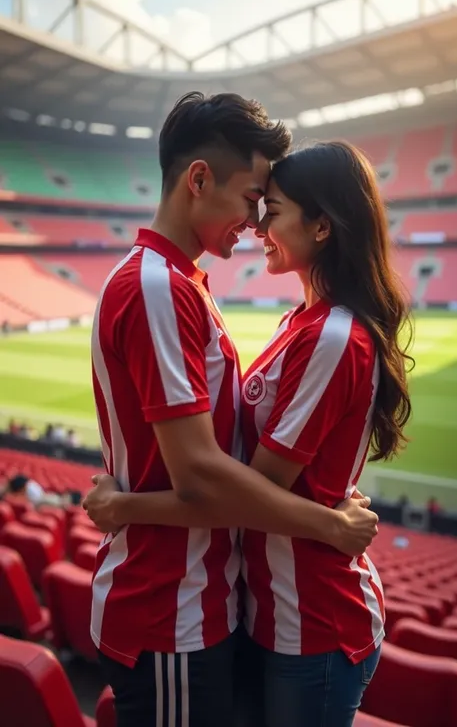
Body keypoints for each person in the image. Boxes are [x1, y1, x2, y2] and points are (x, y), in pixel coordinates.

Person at [86, 140, 412, 727]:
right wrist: (332, 519)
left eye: (274, 209)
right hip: (266, 613)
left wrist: (125, 505)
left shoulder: (333, 336)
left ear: (321, 227)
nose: (260, 223)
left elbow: (244, 493)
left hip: (310, 618)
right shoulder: (300, 322)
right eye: (255, 203)